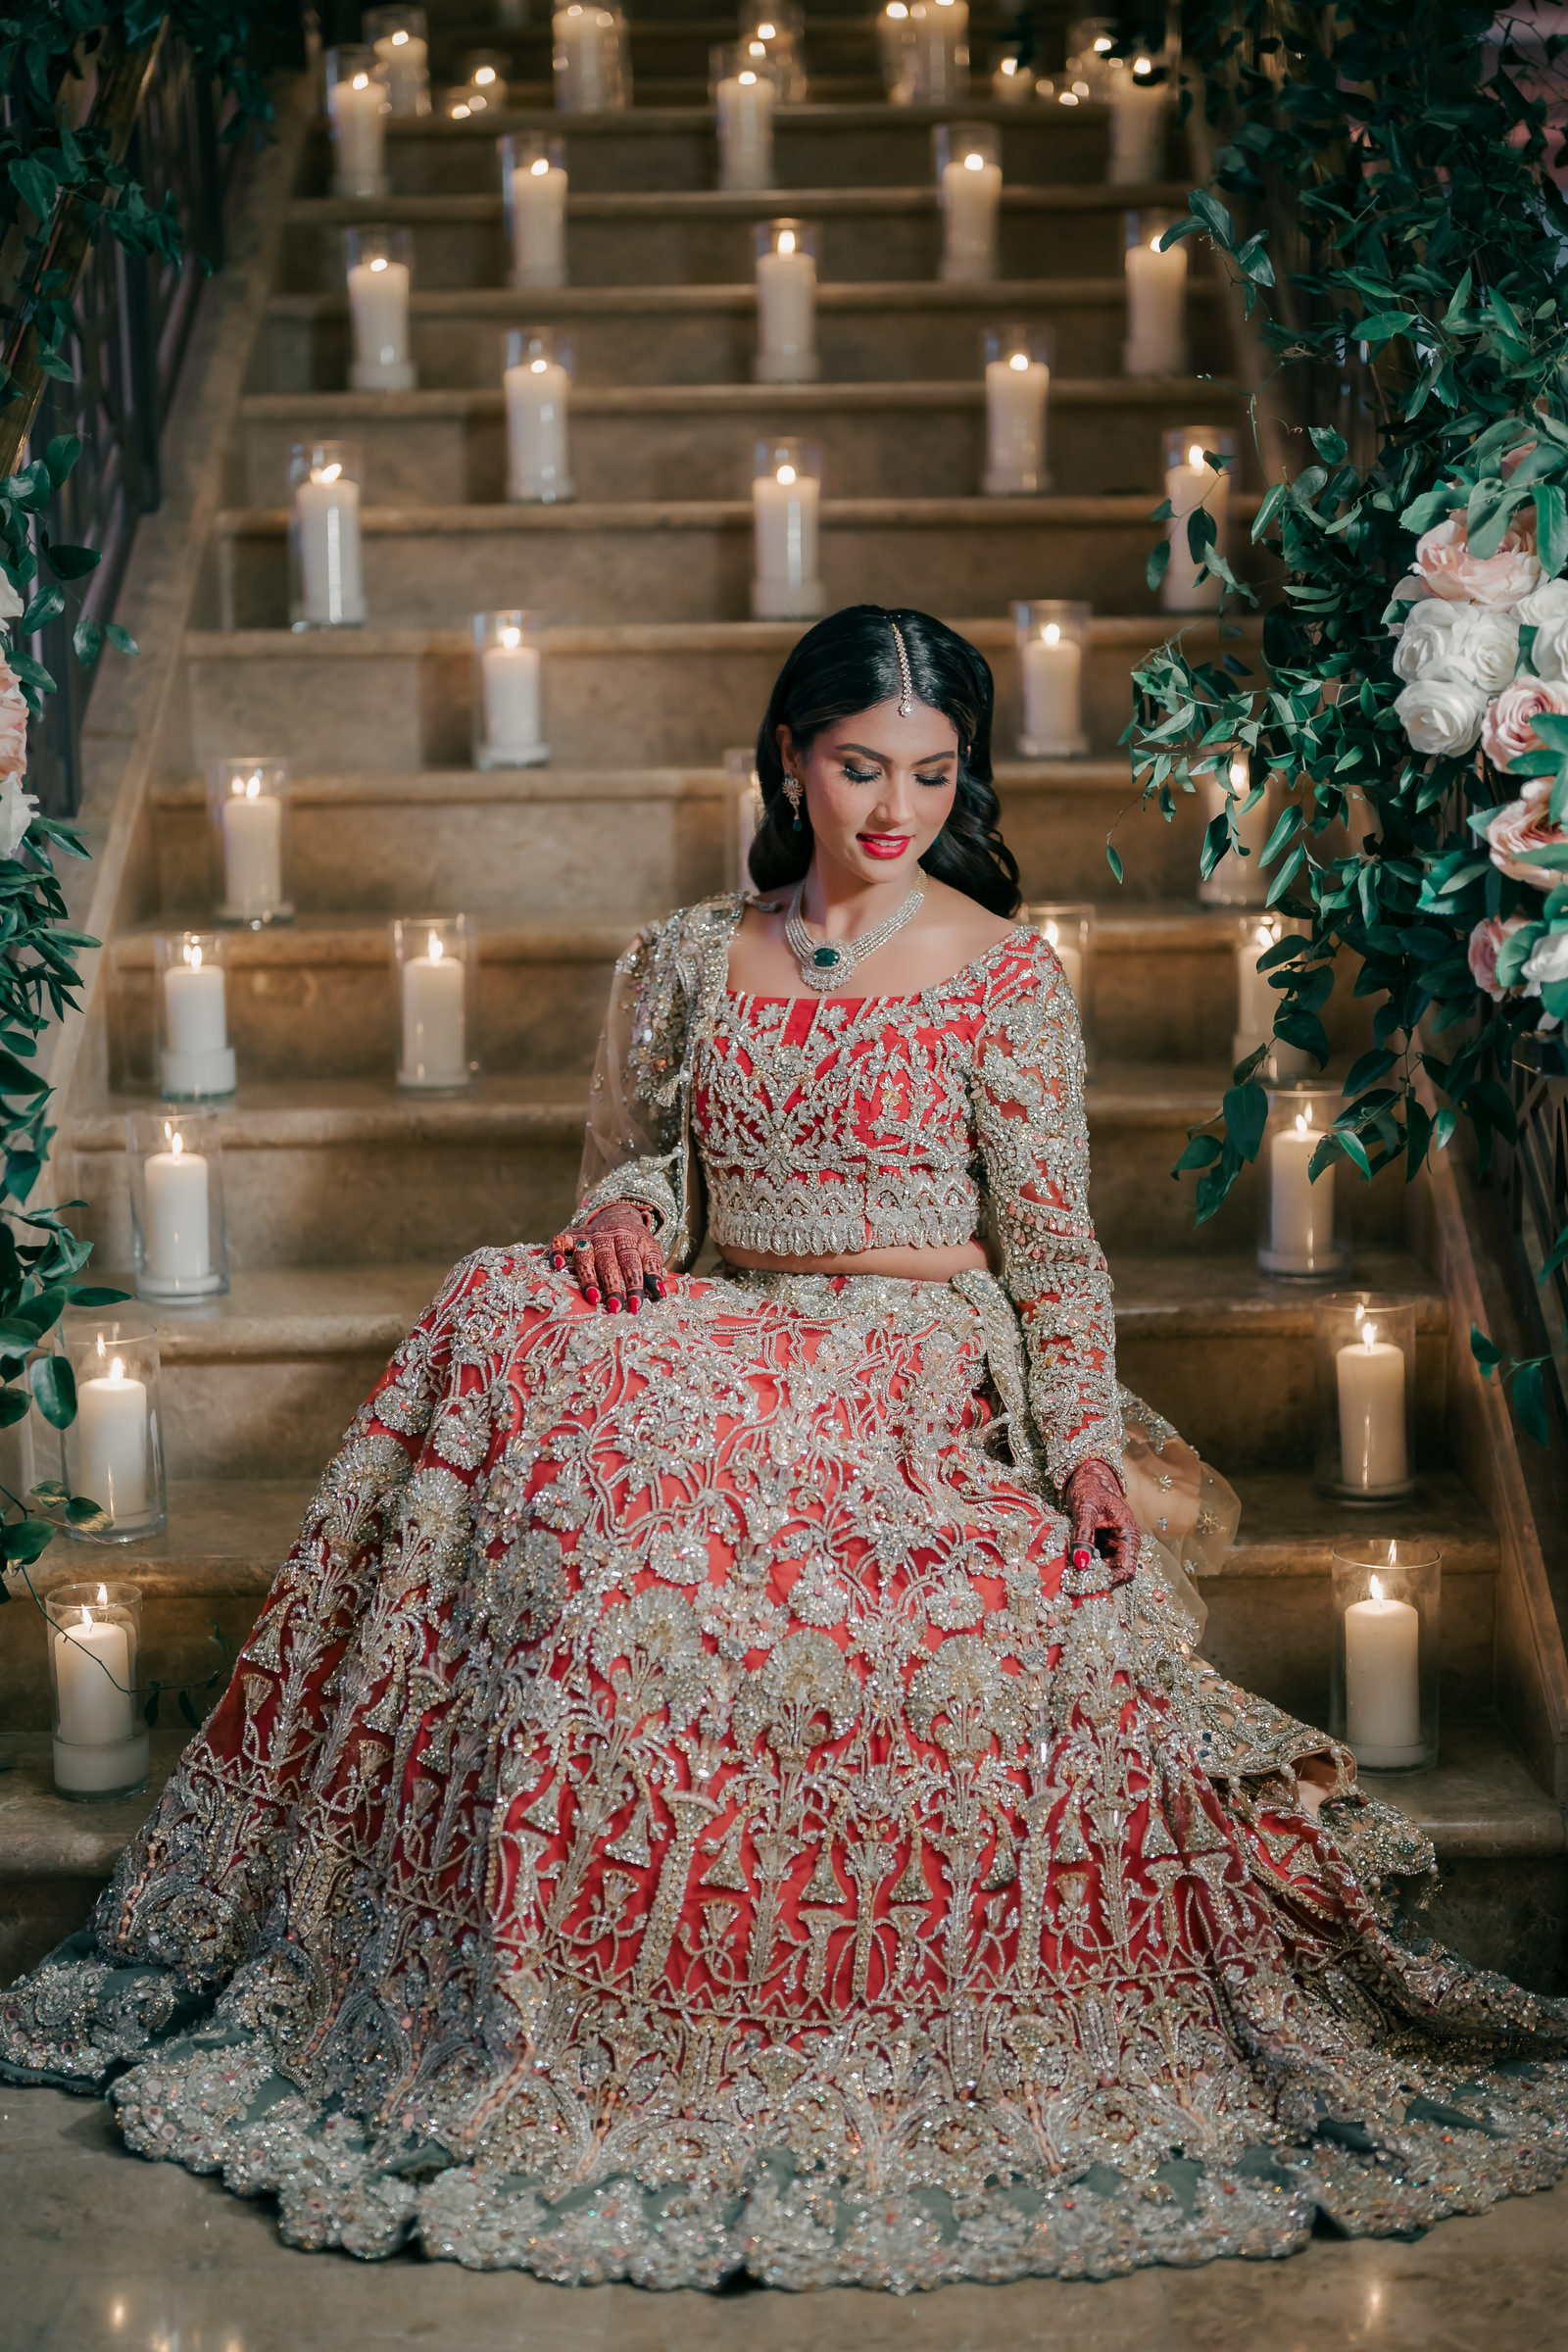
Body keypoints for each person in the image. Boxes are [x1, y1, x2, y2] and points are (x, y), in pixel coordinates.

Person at [3, 607, 1565, 2290]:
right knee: (519, 1352)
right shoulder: (693, 955)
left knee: (748, 1563)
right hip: (726, 1320)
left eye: (931, 774)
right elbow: (644, 1164)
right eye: (858, 767)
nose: (893, 808)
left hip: (909, 1359)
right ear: (791, 759)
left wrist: (1085, 1446)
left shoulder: (997, 975)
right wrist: (620, 1217)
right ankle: (508, 1961)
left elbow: (1050, 1251)